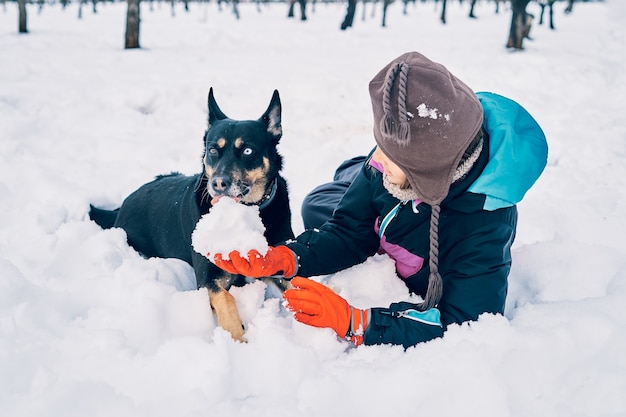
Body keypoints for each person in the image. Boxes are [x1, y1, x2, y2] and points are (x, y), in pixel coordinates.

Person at [212, 51, 548, 348]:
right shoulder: (384, 162)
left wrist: (357, 322)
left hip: (421, 247)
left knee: (325, 203)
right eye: (381, 147)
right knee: (316, 204)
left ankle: (353, 182)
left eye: (392, 156)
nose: (378, 160)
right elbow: (348, 230)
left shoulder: (483, 224)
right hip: (399, 214)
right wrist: (287, 257)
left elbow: (466, 323)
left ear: (428, 170)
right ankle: (352, 177)